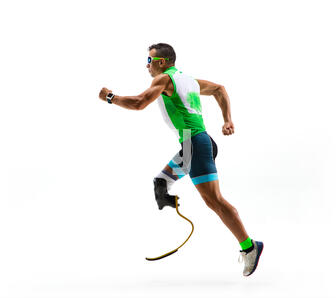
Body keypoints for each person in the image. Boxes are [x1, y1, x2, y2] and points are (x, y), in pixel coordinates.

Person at [98, 43, 263, 277]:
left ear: (162, 62)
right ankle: (168, 227)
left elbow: (139, 103)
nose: (146, 65)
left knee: (215, 201)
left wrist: (110, 97)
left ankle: (249, 247)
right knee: (161, 184)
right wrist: (227, 120)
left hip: (195, 144)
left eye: (149, 60)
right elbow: (219, 89)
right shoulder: (189, 80)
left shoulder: (164, 79)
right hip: (191, 144)